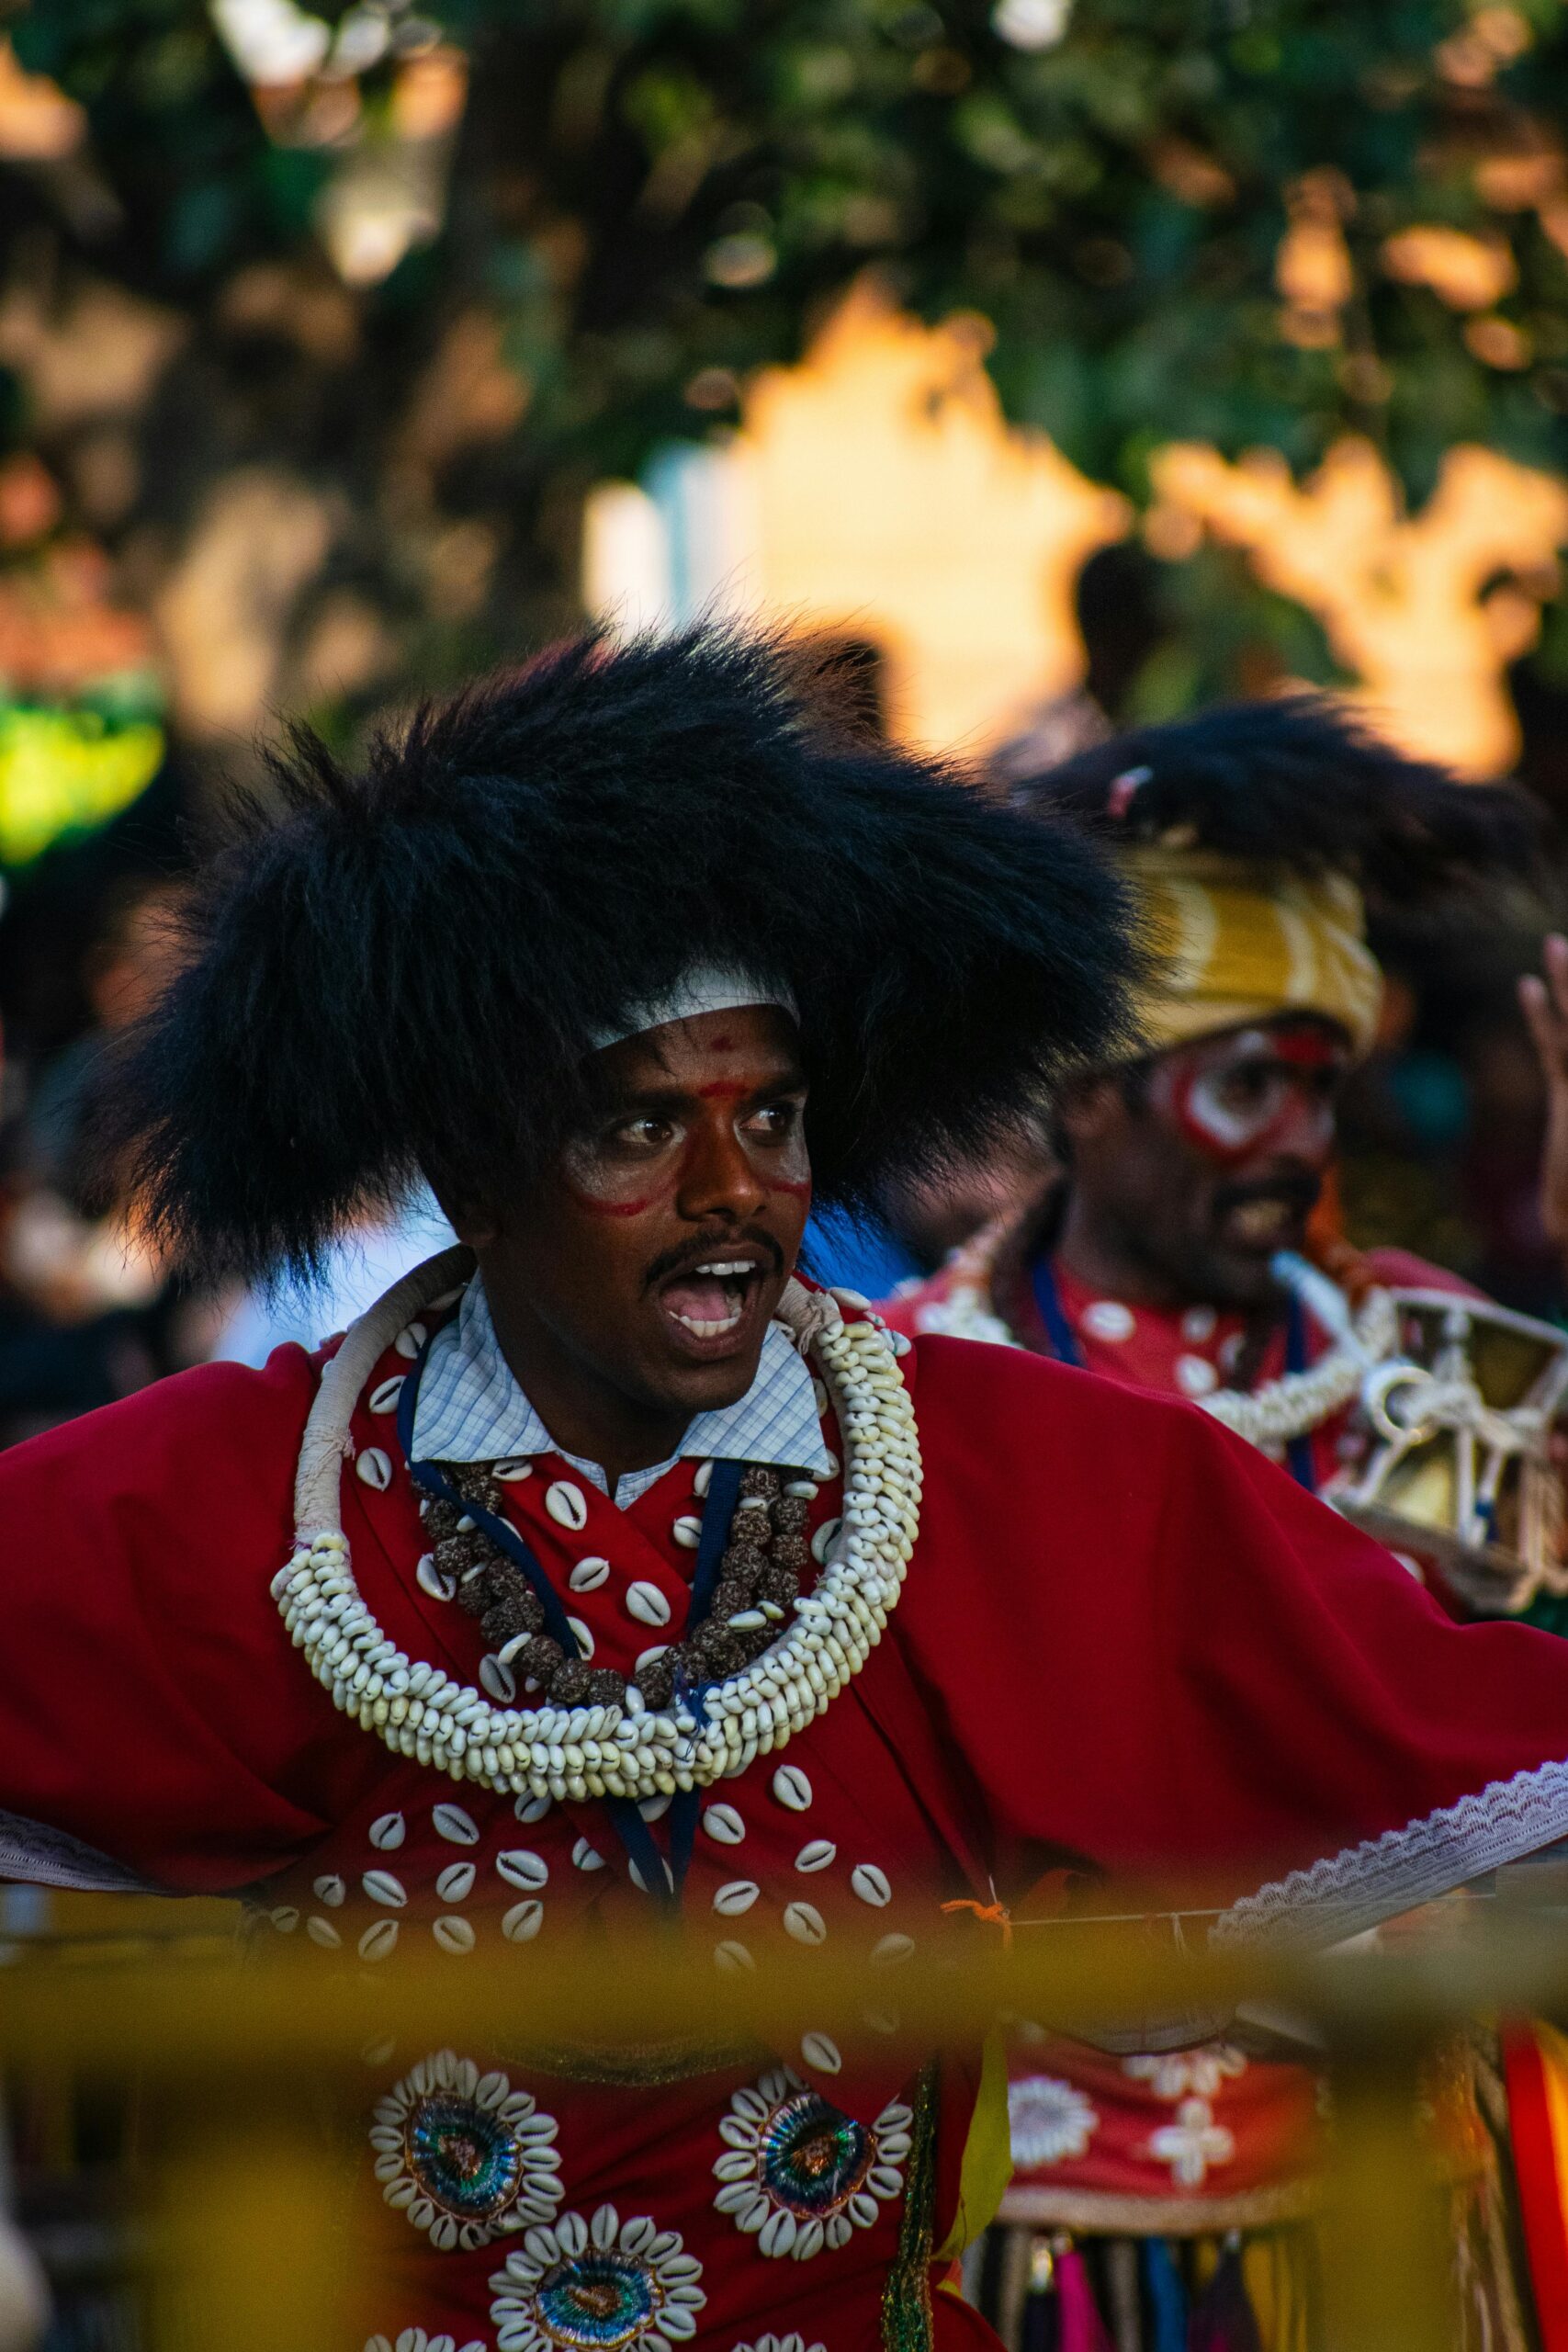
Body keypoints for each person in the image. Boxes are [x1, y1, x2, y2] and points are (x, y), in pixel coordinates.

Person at [6, 634, 1568, 2352]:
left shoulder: (978, 1466)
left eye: (773, 1117)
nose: (729, 1191)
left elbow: (1461, 1726)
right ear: (474, 1168)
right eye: (634, 1131)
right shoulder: (273, 1494)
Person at [880, 697, 1548, 2344]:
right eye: (1251, 1085)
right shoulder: (899, 1394)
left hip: (1394, 2212)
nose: (1303, 1148)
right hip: (1031, 2234)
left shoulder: (1433, 1359)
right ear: (1089, 1097)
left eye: (1325, 1091)